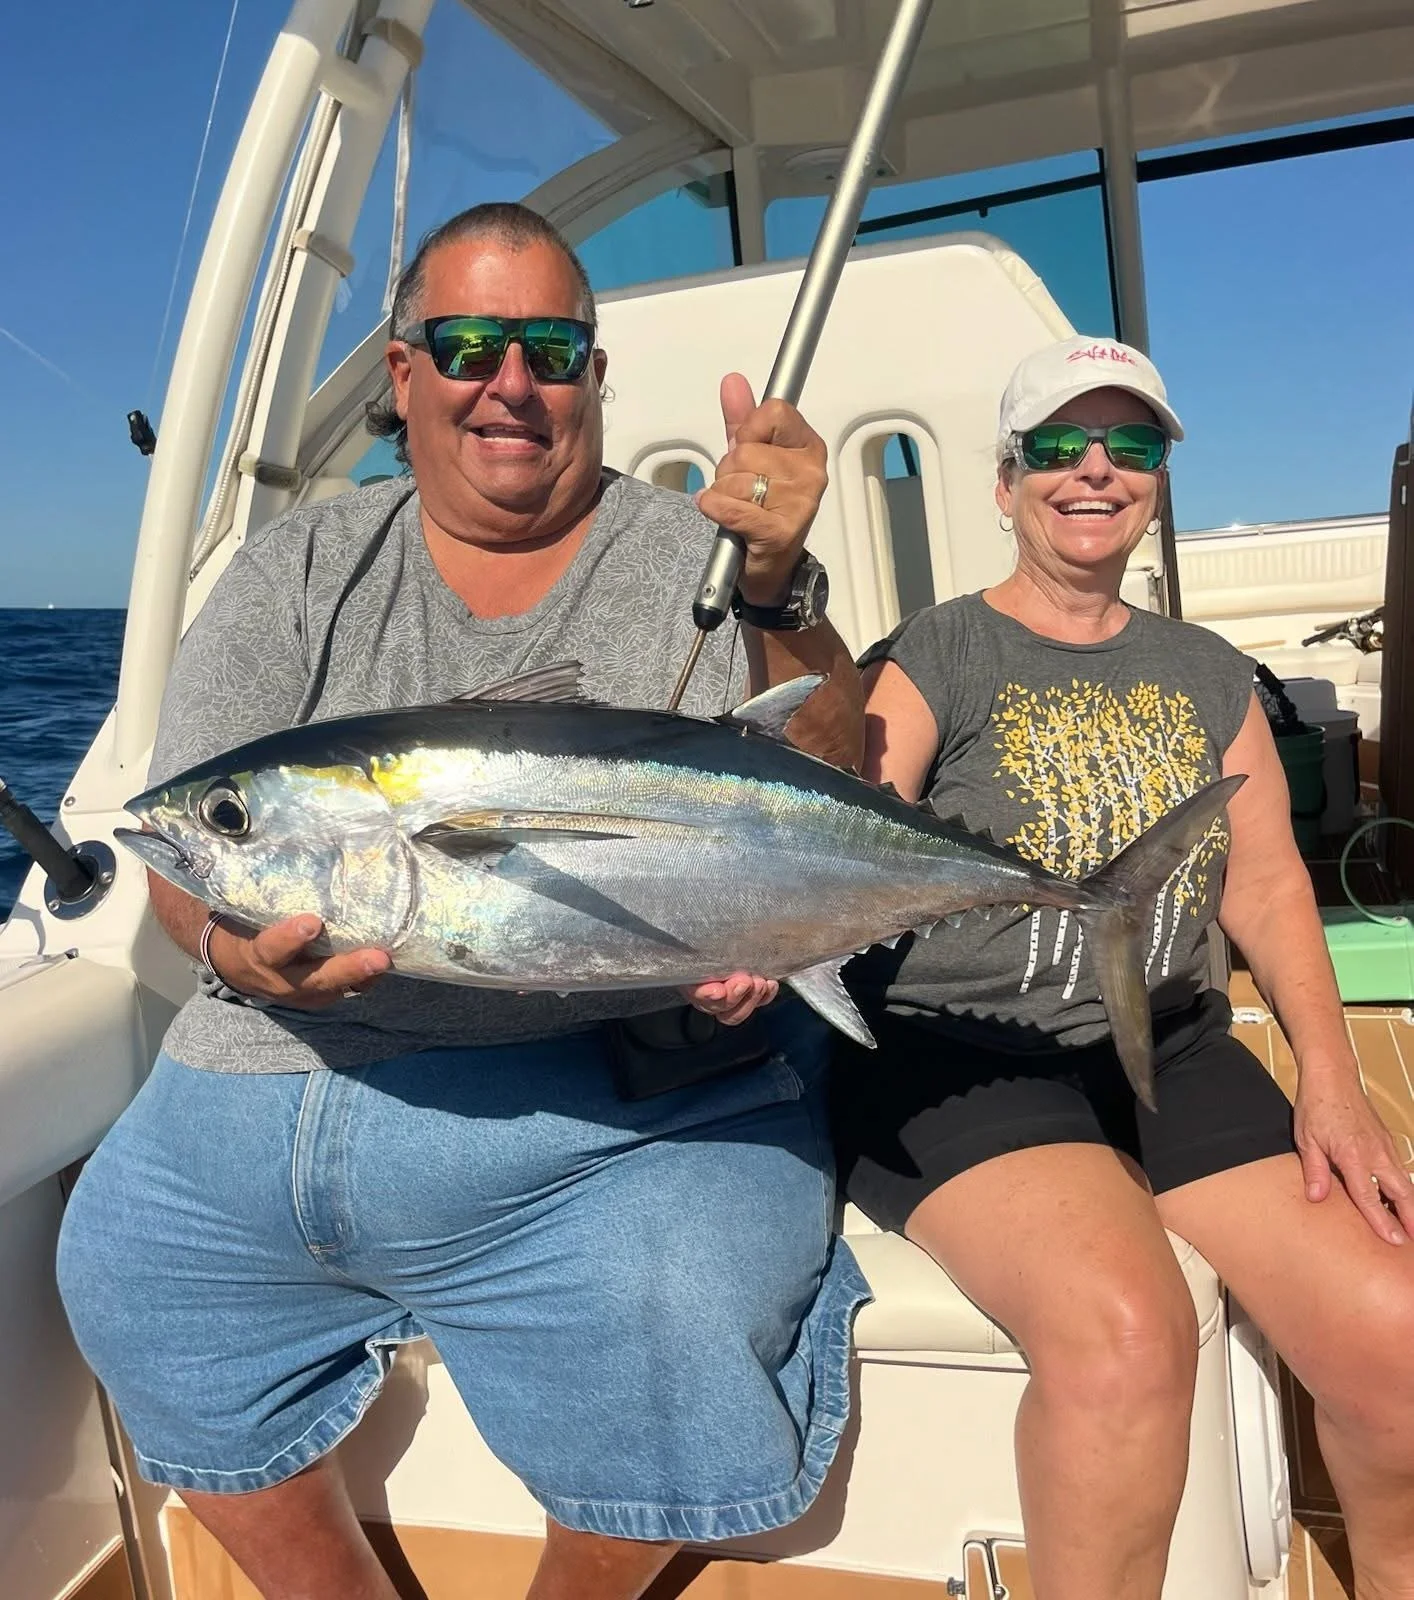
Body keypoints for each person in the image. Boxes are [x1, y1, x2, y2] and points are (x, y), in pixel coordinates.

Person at [57, 202, 870, 1600]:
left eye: (551, 348)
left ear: (594, 377)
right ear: (403, 372)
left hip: (604, 1105)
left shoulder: (700, 563)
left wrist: (781, 586)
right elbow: (188, 853)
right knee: (126, 1271)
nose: (512, 382)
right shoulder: (294, 570)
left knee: (686, 1310)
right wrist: (242, 961)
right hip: (257, 1071)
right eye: (470, 343)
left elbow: (828, 787)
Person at [830, 335, 1414, 1599]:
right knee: (1126, 1337)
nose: (1094, 469)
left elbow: (1261, 885)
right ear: (1004, 481)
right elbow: (846, 839)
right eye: (1057, 446)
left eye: (1129, 445)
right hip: (960, 1059)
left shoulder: (1206, 671)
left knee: (1400, 1340)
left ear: (1156, 476)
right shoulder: (938, 651)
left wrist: (1329, 1077)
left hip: (1173, 1044)